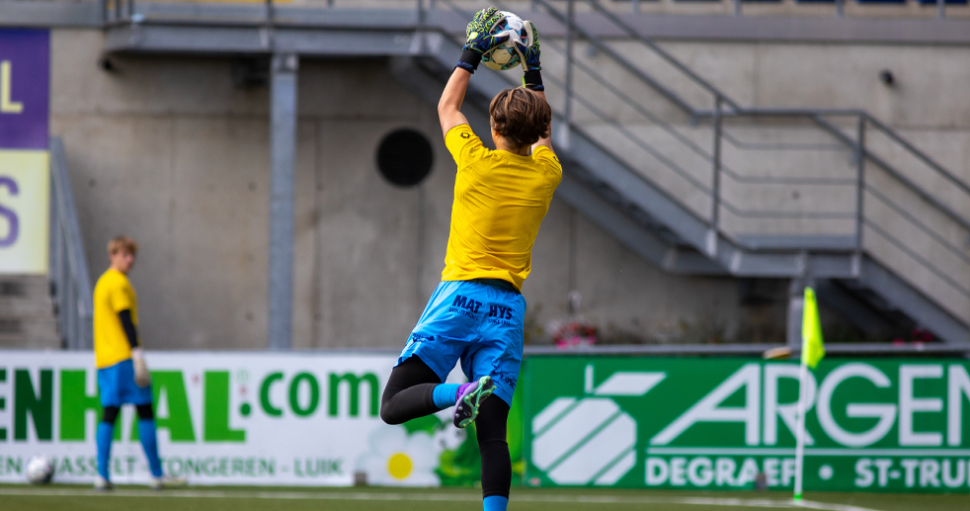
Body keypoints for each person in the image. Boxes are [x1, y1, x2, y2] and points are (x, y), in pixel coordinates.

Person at [380, 9, 558, 511]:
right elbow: (542, 132)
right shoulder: (546, 174)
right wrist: (534, 70)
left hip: (461, 296)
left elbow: (448, 105)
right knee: (493, 437)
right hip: (507, 309)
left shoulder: (475, 160)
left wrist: (473, 52)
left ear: (494, 126)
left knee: (394, 404)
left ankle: (459, 394)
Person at [92, 236, 186, 490]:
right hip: (123, 357)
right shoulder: (118, 284)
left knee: (109, 413)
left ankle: (102, 475)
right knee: (144, 410)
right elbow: (125, 319)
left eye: (131, 254)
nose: (129, 259)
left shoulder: (102, 282)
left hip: (104, 359)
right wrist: (137, 353)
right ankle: (155, 474)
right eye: (124, 254)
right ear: (112, 255)